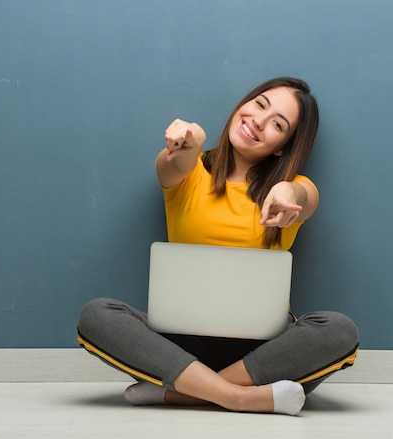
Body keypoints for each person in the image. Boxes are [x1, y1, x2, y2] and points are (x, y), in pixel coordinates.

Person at [77, 77, 359, 416]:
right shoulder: (191, 171)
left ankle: (182, 393)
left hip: (262, 352)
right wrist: (189, 148)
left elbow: (305, 198)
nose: (258, 121)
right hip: (179, 343)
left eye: (278, 125)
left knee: (339, 331)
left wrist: (289, 192)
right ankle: (240, 398)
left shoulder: (294, 190)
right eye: (260, 104)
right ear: (245, 103)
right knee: (96, 316)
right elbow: (172, 166)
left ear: (282, 147)